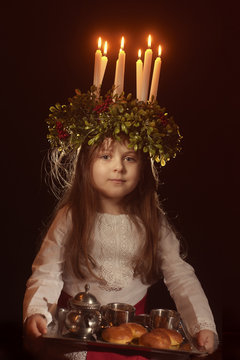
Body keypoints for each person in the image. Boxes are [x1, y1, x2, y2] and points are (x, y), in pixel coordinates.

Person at [23, 90, 218, 359]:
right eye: (106, 157)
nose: (119, 167)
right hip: (75, 334)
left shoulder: (153, 221)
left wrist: (202, 326)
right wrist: (37, 313)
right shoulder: (71, 216)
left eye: (129, 158)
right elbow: (47, 272)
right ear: (85, 163)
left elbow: (180, 276)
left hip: (130, 336)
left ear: (144, 167)